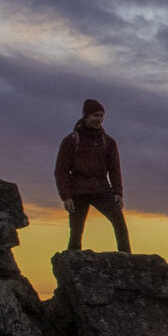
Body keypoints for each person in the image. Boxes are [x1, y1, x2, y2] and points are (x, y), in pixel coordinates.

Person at [55, 98, 131, 252]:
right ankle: (72, 267)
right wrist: (66, 196)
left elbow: (115, 169)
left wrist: (118, 192)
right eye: (95, 115)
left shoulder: (108, 142)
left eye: (102, 116)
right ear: (86, 117)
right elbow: (61, 170)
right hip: (78, 190)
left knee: (120, 224)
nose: (99, 119)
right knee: (76, 233)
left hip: (101, 188)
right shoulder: (71, 140)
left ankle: (128, 260)